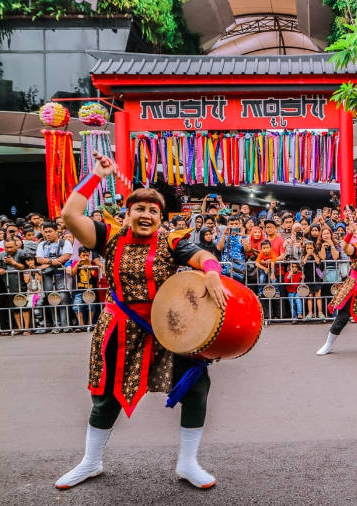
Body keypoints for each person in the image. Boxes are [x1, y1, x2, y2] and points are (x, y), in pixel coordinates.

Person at [56, 152, 231, 490]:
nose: (147, 214)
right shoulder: (108, 237)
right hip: (118, 329)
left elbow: (204, 255)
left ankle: (188, 463)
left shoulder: (171, 241)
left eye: (154, 210)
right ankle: (91, 462)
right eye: (140, 208)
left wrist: (211, 271)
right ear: (128, 213)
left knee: (196, 386)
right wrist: (95, 175)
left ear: (161, 216)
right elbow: (68, 214)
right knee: (106, 397)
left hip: (166, 330)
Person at [36, 221, 73, 330]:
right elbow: (39, 259)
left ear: (57, 231)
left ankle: (66, 325)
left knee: (63, 297)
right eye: (45, 232)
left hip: (62, 275)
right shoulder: (41, 244)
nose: (47, 234)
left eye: (50, 231)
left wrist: (47, 263)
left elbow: (67, 256)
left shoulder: (64, 242)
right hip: (47, 276)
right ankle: (56, 325)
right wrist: (53, 262)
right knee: (51, 298)